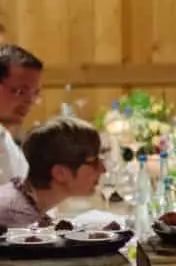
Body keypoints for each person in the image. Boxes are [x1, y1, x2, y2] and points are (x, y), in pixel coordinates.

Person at [0, 117, 102, 227]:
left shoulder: (35, 204)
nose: (103, 169)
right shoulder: (13, 220)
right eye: (94, 162)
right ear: (60, 173)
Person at [0, 44, 42, 184]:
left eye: (34, 94)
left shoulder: (4, 138)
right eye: (20, 91)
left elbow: (26, 193)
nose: (29, 102)